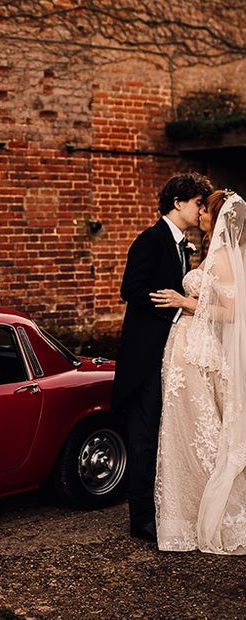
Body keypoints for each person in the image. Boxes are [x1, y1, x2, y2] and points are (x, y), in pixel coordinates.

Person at [112, 172, 213, 542]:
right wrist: (175, 307)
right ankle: (141, 520)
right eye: (198, 203)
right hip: (145, 360)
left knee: (165, 436)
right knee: (143, 438)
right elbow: (132, 289)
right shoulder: (150, 240)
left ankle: (164, 507)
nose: (202, 209)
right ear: (178, 203)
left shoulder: (183, 245)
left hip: (173, 357)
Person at [151, 189, 246, 554]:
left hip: (198, 354)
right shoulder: (210, 254)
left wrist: (185, 302)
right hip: (186, 350)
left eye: (206, 209)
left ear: (218, 216)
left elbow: (235, 313)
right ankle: (184, 516)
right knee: (186, 431)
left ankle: (210, 516)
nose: (201, 213)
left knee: (201, 430)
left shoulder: (224, 258)